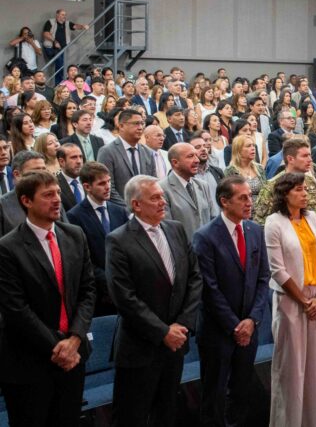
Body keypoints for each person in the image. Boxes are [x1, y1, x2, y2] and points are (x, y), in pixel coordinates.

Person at [0, 170, 95, 427]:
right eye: (48, 195)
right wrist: (59, 348)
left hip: (74, 356)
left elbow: (87, 291)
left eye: (58, 193)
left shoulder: (74, 235)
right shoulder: (8, 247)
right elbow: (16, 308)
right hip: (30, 361)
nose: (57, 200)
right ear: (26, 201)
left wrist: (74, 339)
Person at [106, 174, 203, 427]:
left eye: (162, 196)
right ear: (136, 205)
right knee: (132, 417)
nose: (163, 202)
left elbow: (194, 277)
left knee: (167, 413)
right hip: (141, 347)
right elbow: (124, 296)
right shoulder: (119, 240)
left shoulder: (175, 229)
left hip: (176, 343)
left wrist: (182, 324)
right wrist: (163, 332)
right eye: (155, 198)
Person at [191, 175, 270, 426]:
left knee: (241, 391)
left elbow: (263, 278)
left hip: (249, 327)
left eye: (249, 197)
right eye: (242, 198)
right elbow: (209, 289)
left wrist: (252, 320)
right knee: (214, 396)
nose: (250, 202)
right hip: (218, 331)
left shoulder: (255, 230)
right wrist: (235, 326)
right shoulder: (205, 236)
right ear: (224, 201)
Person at [264, 172, 316, 426]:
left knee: (314, 370)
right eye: (299, 189)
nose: (305, 194)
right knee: (291, 372)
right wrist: (304, 301)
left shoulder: (312, 217)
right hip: (291, 302)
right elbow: (277, 270)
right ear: (285, 193)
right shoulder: (274, 222)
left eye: (305, 189)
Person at [66, 161, 128, 316]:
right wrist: (108, 280)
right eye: (101, 183)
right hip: (99, 293)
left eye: (109, 181)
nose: (107, 187)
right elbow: (81, 258)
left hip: (126, 287)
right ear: (87, 187)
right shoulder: (74, 216)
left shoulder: (119, 211)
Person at [97, 109, 157, 206]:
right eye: (136, 123)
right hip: (120, 210)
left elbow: (152, 183)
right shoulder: (107, 152)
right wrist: (129, 208)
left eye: (142, 123)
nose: (140, 127)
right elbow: (108, 188)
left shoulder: (148, 152)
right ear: (121, 126)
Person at [159, 142, 217, 240]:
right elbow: (167, 229)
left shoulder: (203, 185)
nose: (197, 160)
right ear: (175, 163)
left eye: (196, 155)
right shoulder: (162, 189)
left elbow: (212, 219)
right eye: (190, 156)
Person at [42, 10, 89, 85]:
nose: (64, 16)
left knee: (59, 66)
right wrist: (55, 41)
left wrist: (83, 26)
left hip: (62, 49)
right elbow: (45, 33)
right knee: (61, 65)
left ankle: (59, 84)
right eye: (62, 14)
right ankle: (64, 82)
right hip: (50, 47)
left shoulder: (67, 23)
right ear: (57, 15)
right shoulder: (50, 22)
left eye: (65, 15)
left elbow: (75, 26)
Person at [56, 143, 85, 212]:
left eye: (80, 157)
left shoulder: (89, 180)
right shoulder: (55, 184)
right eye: (74, 157)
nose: (79, 161)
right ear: (62, 162)